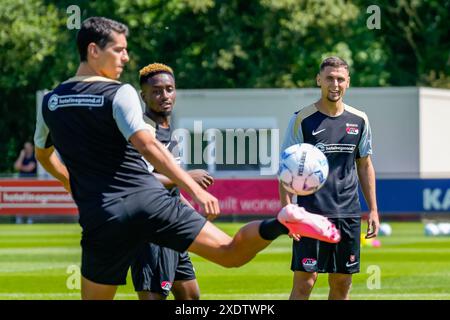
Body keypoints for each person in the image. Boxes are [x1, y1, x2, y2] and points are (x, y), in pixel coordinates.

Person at [34, 16, 340, 300]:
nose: (126, 58)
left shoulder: (51, 101)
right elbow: (148, 146)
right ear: (93, 50)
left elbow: (43, 154)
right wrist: (194, 189)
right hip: (149, 201)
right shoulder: (119, 92)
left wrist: (70, 182)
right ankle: (282, 222)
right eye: (119, 50)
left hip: (102, 215)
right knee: (231, 253)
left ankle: (283, 222)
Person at [279, 56, 380, 300]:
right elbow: (286, 169)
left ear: (348, 83)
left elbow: (365, 164)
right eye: (329, 79)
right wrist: (288, 211)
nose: (335, 84)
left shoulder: (359, 120)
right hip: (311, 213)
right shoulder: (301, 119)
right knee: (305, 283)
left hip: (347, 213)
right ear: (319, 80)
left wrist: (373, 210)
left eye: (340, 79)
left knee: (342, 283)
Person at [131, 62, 213, 300]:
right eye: (156, 91)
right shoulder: (142, 131)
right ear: (143, 95)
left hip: (171, 225)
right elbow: (137, 181)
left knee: (190, 297)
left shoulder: (169, 130)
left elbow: (171, 189)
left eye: (169, 89)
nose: (164, 95)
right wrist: (187, 178)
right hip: (150, 228)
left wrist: (191, 214)